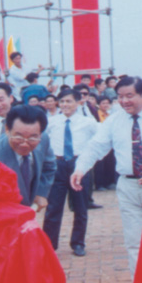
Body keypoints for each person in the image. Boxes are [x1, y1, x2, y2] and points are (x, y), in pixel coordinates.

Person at [70, 76, 142, 275]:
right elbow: (96, 146)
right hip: (128, 187)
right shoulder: (114, 120)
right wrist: (80, 168)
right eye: (120, 97)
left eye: (130, 96)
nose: (124, 101)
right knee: (134, 242)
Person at [42, 89, 97, 257]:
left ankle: (78, 243)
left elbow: (99, 141)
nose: (65, 105)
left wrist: (89, 160)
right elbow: (42, 142)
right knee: (53, 207)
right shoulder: (50, 122)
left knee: (80, 206)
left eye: (69, 101)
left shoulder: (88, 122)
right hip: (57, 165)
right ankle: (49, 244)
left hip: (79, 166)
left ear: (78, 102)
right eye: (62, 101)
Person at [0, 105, 56, 209]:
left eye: (32, 138)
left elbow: (49, 166)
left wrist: (41, 192)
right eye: (19, 137)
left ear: (41, 133)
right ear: (7, 129)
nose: (24, 144)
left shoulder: (43, 139)